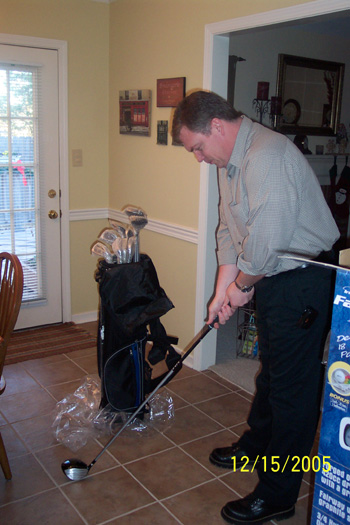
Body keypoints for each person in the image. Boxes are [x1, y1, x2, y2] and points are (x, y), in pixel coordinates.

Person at [172, 90, 340, 525]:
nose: (198, 157)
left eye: (197, 148)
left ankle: (279, 494)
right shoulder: (228, 163)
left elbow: (266, 242)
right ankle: (255, 448)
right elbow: (229, 229)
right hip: (271, 279)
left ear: (217, 127)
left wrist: (242, 287)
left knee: (292, 392)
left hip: (301, 280)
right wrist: (221, 291)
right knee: (272, 374)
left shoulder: (267, 156)